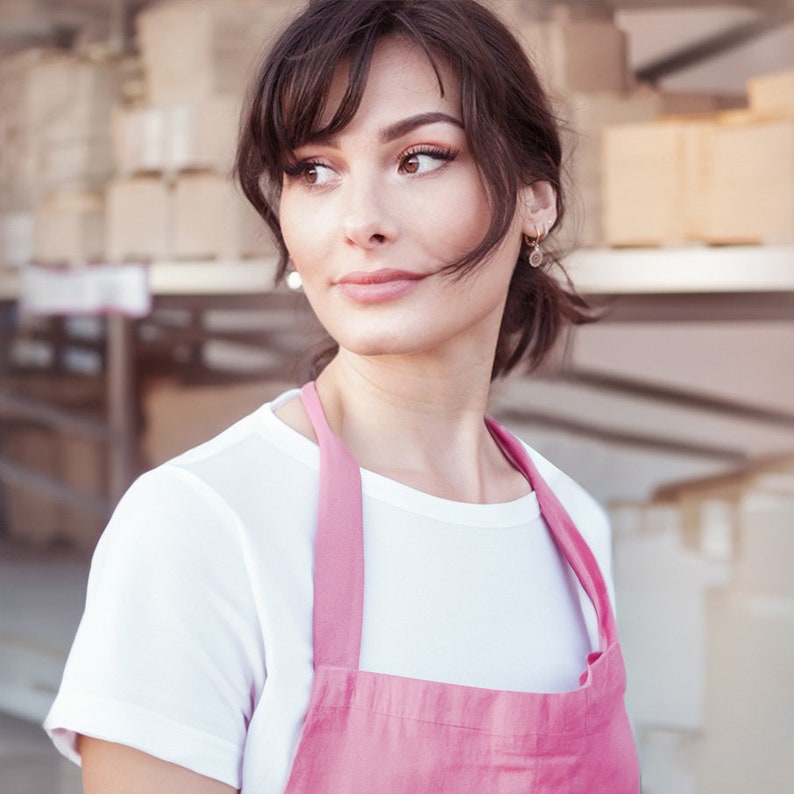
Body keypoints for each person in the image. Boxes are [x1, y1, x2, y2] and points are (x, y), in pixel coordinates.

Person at [45, 1, 640, 791]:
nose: (360, 222)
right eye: (314, 170)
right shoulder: (203, 526)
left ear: (538, 198)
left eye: (422, 158)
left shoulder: (575, 534)